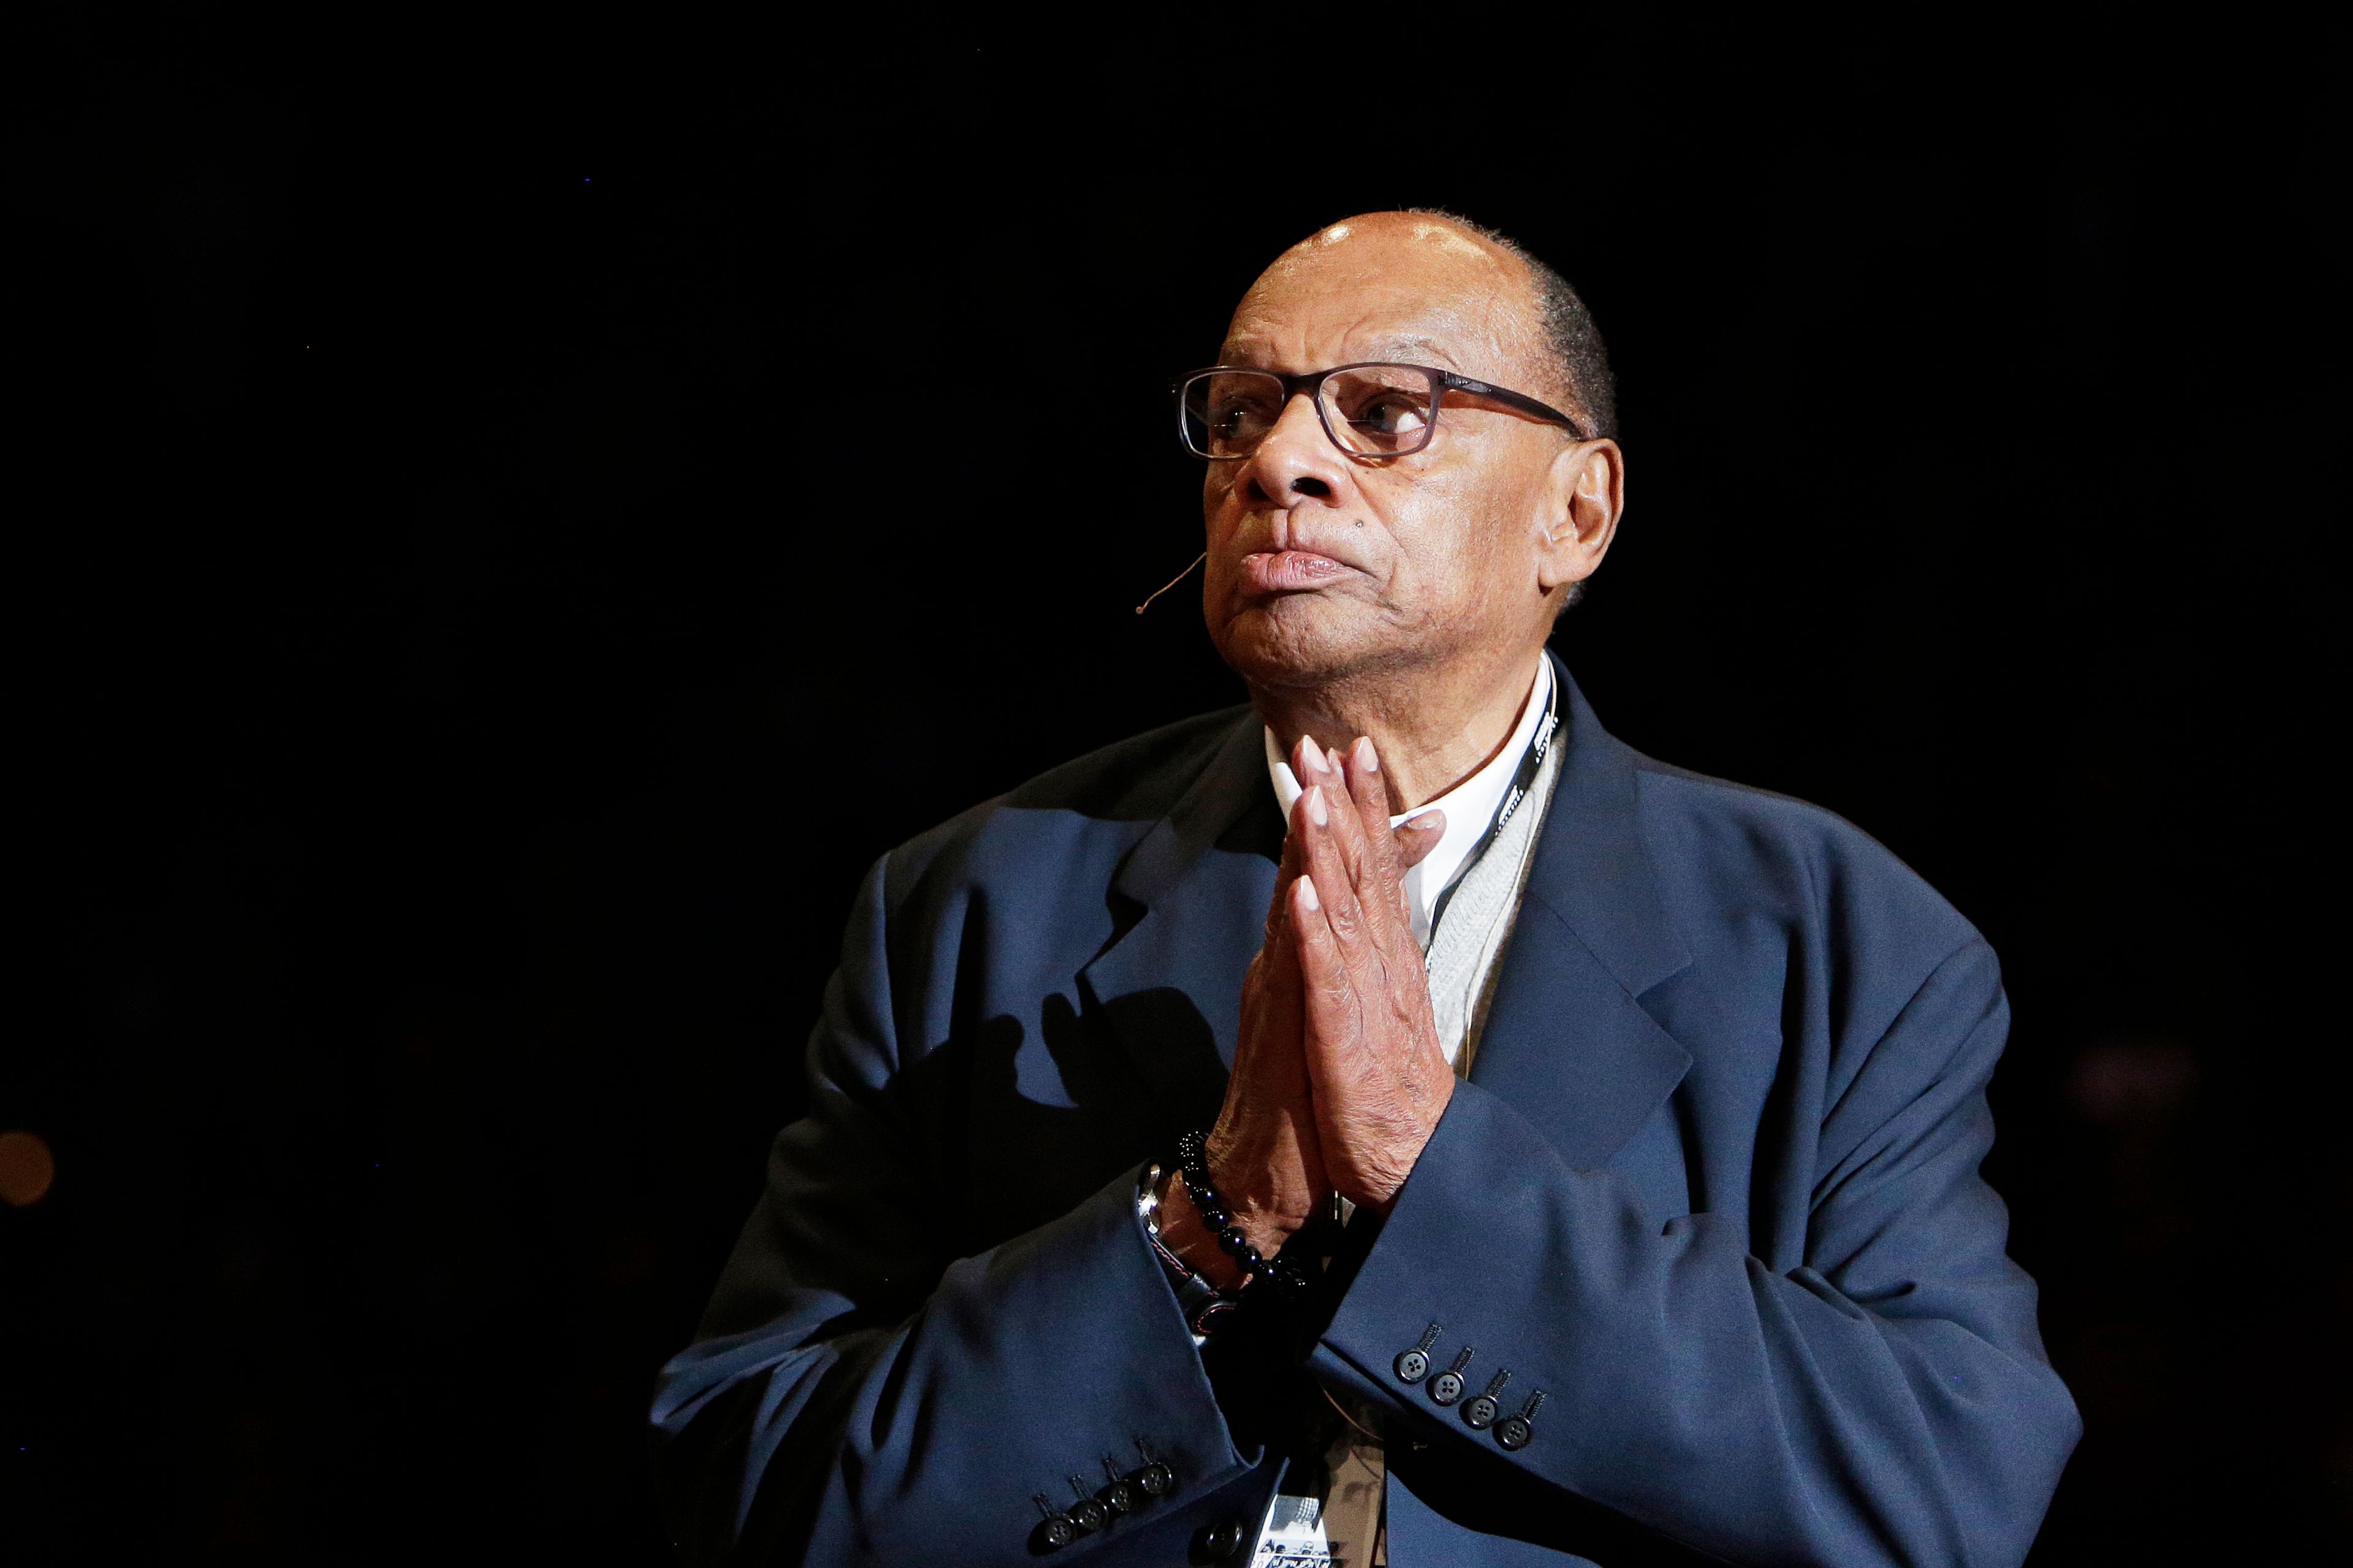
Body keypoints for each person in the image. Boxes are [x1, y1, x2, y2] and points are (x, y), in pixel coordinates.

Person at [649, 210, 2079, 1566]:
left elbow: (1943, 1486)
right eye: (1240, 414)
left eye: (1385, 411)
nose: (1278, 463)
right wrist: (1204, 1229)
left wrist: (1430, 1163)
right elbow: (757, 1481)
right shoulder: (969, 902)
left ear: (1576, 514)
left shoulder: (1841, 937)